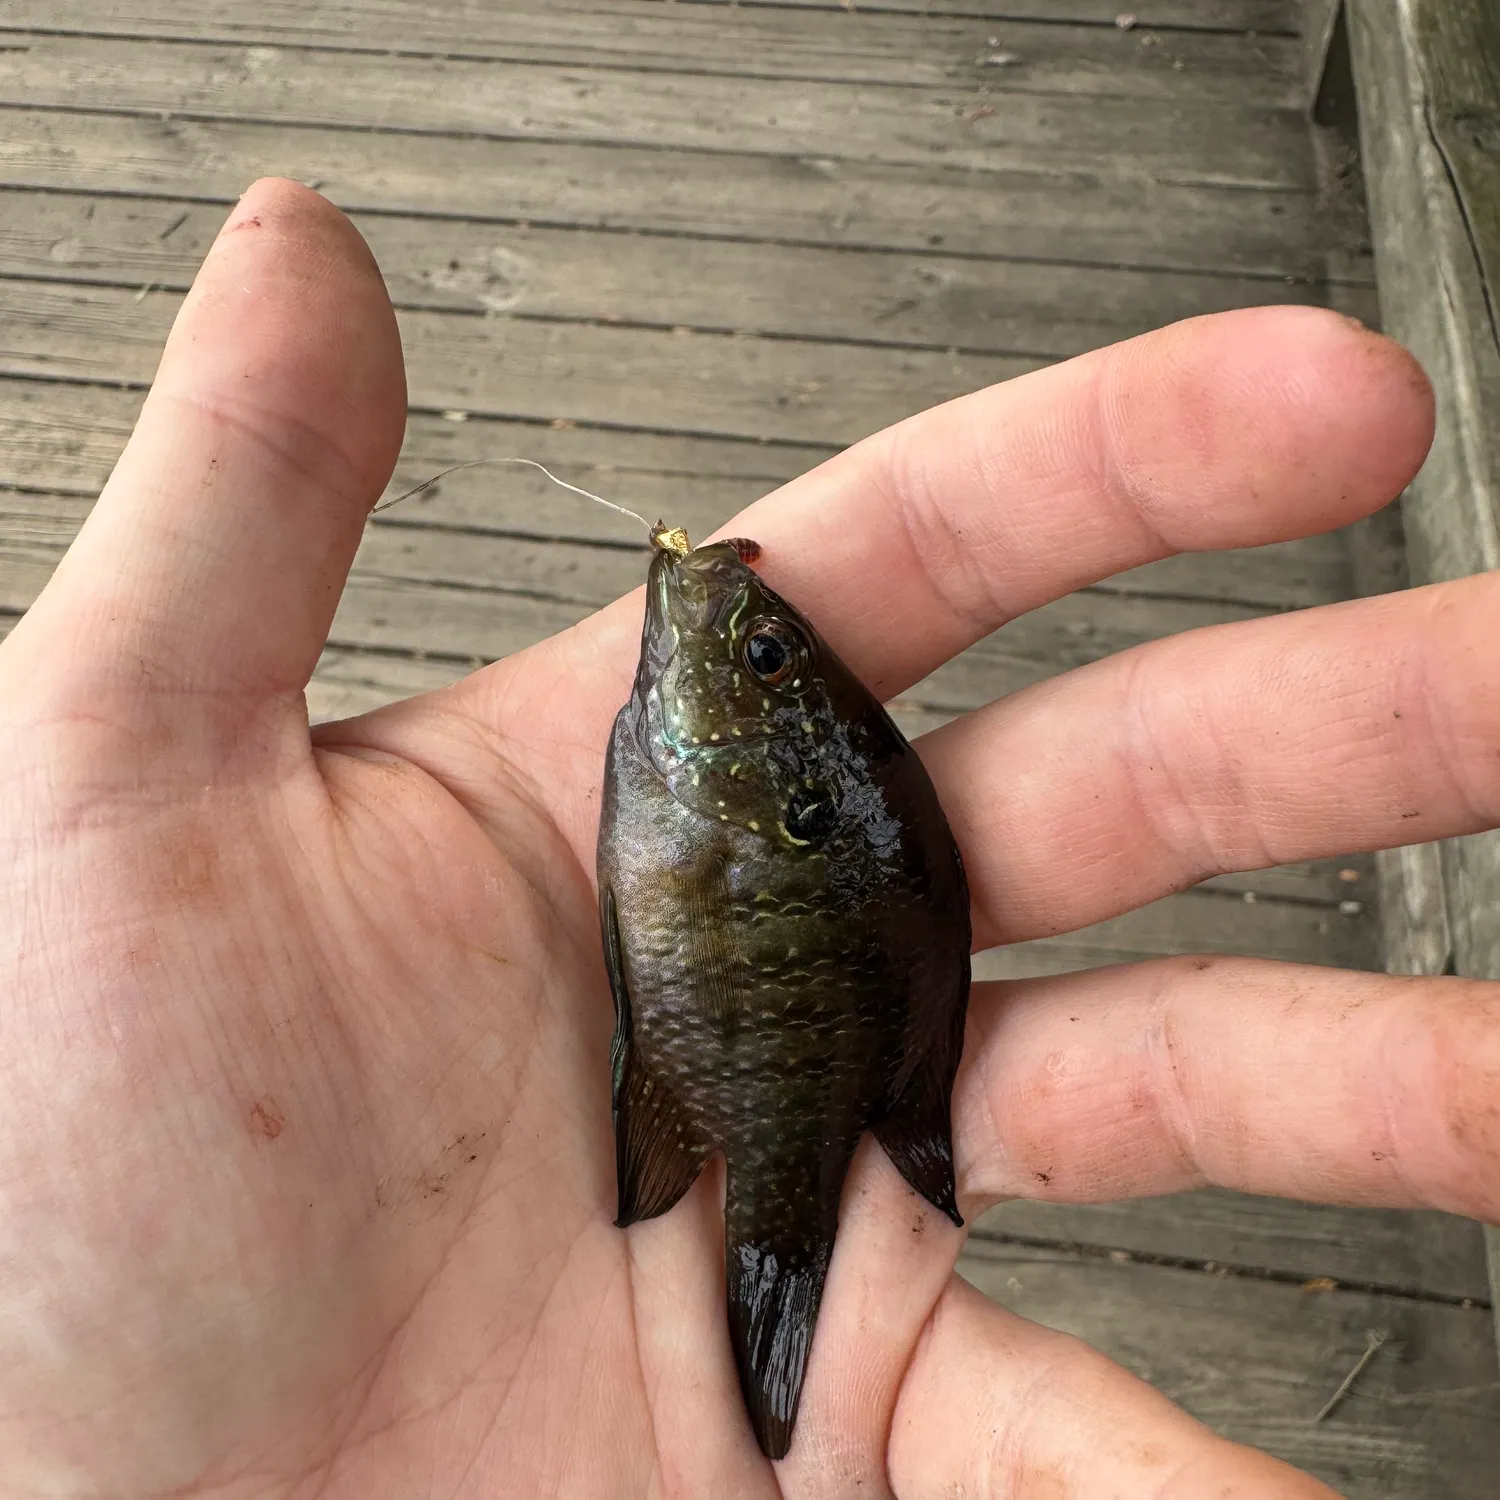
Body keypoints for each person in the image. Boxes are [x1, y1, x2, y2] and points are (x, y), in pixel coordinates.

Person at [0, 178, 1489, 1499]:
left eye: (767, 665)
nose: (747, 637)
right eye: (774, 662)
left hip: (775, 1058)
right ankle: (781, 1240)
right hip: (766, 1052)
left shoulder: (693, 763)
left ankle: (781, 1239)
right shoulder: (695, 759)